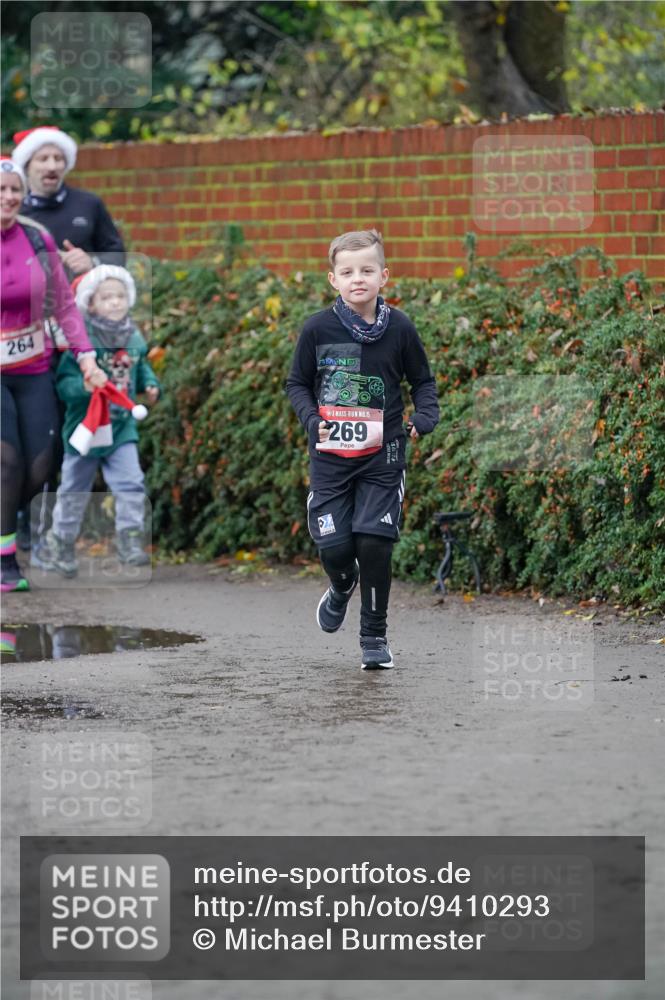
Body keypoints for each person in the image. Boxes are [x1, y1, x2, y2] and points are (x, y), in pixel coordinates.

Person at [286, 229, 439, 669]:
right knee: (335, 547)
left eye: (367, 270)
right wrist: (312, 419)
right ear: (333, 279)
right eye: (347, 271)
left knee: (374, 542)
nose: (358, 279)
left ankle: (374, 637)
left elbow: (423, 383)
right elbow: (297, 383)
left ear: (383, 276)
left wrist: (423, 418)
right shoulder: (317, 329)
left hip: (383, 453)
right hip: (331, 457)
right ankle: (341, 584)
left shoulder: (401, 328)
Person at [0, 158, 106, 593]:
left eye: (14, 191)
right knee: (6, 460)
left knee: (41, 464)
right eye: (1, 190)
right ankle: (6, 559)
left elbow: (63, 305)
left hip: (35, 366)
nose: (8, 198)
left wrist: (86, 356)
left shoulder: (35, 236)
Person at [40, 265, 160, 577]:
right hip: (85, 430)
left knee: (131, 483)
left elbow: (140, 365)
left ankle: (130, 540)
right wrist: (84, 386)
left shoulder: (133, 337)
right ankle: (61, 544)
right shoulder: (81, 345)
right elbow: (64, 385)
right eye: (107, 297)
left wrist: (150, 385)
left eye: (121, 296)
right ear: (91, 304)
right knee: (73, 490)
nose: (116, 302)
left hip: (121, 428)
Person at [12, 126, 125, 277]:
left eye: (58, 159)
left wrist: (93, 262)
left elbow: (117, 255)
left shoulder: (89, 203)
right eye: (43, 159)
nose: (52, 167)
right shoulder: (13, 211)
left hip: (82, 297)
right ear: (26, 166)